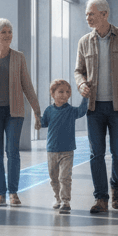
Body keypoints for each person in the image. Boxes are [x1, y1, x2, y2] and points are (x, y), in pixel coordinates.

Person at [75, 0, 118, 213]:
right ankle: (101, 198)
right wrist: (81, 84)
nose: (87, 17)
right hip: (94, 108)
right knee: (96, 154)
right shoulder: (84, 41)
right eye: (87, 14)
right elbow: (78, 71)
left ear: (105, 14)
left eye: (91, 14)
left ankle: (116, 185)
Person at [0, 18, 41, 206]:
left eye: (9, 32)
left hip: (15, 112)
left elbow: (27, 85)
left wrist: (37, 110)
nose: (8, 35)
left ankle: (13, 193)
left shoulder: (18, 57)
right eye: (3, 32)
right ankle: (1, 194)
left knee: (12, 152)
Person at [41, 79, 88, 214]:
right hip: (52, 150)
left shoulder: (71, 111)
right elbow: (43, 123)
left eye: (67, 92)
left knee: (64, 177)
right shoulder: (49, 110)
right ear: (52, 94)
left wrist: (85, 98)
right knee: (54, 178)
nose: (64, 94)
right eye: (60, 92)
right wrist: (37, 118)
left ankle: (66, 201)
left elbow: (82, 111)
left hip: (67, 151)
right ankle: (58, 198)